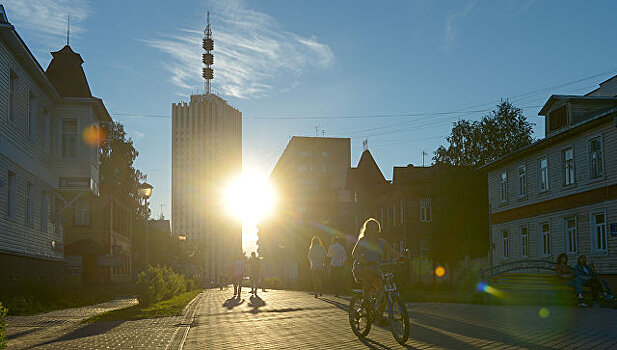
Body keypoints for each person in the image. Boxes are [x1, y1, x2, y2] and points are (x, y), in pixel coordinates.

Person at [352, 218, 402, 325]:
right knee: (368, 276)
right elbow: (354, 254)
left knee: (384, 292)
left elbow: (392, 252)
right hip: (362, 268)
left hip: (375, 270)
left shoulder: (381, 243)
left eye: (376, 229)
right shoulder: (363, 241)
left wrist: (402, 257)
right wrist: (363, 261)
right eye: (372, 229)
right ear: (367, 230)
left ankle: (378, 314)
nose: (375, 231)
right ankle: (365, 302)